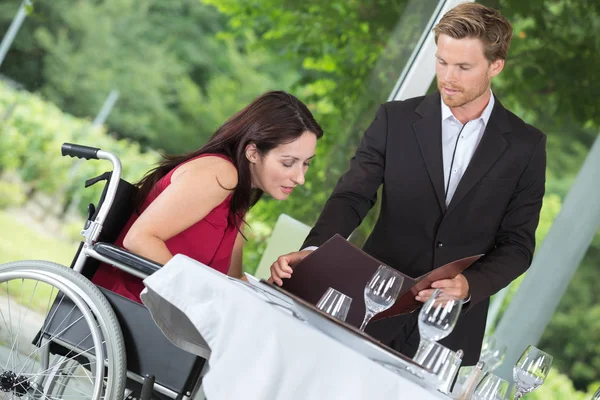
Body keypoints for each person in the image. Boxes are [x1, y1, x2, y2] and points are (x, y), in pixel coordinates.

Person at [269, 3, 546, 366]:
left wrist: (469, 286)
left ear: (495, 66)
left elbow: (518, 244)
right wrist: (317, 251)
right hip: (372, 307)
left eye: (463, 67)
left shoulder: (526, 146)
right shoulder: (394, 119)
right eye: (442, 61)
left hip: (448, 332)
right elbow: (352, 197)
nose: (448, 76)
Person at [92, 91, 323, 303]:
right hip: (129, 305)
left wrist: (272, 286)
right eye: (288, 163)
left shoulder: (238, 194)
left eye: (306, 164)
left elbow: (230, 282)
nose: (300, 178)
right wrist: (199, 295)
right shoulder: (219, 174)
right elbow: (139, 239)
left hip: (165, 315)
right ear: (252, 152)